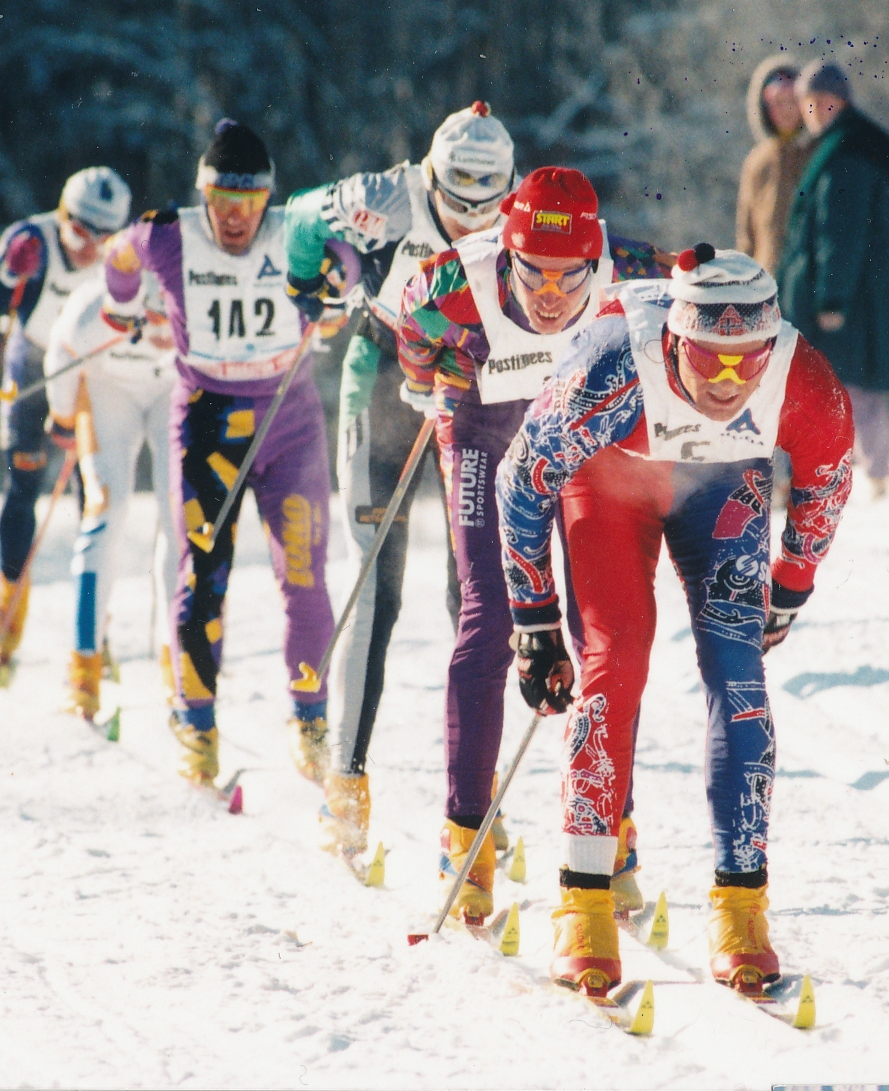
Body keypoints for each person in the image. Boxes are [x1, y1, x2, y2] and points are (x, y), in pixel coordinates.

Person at [495, 245, 854, 999]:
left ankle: (740, 905)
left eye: (744, 361)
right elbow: (522, 480)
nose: (727, 380)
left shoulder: (802, 378)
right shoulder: (609, 366)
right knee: (615, 657)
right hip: (610, 484)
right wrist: (534, 617)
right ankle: (583, 897)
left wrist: (789, 584)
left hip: (719, 490)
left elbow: (828, 478)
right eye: (707, 359)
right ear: (672, 342)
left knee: (737, 670)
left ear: (770, 347)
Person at [397, 166, 672, 924]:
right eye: (531, 275)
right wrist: (430, 373)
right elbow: (410, 328)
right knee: (492, 620)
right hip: (487, 423)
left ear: (595, 262)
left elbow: (704, 297)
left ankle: (609, 827)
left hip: (580, 433)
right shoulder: (453, 280)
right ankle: (466, 834)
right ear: (505, 256)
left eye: (567, 278)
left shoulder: (636, 272)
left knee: (601, 630)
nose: (549, 294)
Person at [282, 101, 513, 857]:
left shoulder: (523, 212)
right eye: (457, 202)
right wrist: (304, 281)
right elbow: (297, 218)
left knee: (474, 593)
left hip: (473, 396)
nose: (475, 218)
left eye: (490, 204)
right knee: (377, 583)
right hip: (384, 374)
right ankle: (344, 781)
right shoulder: (385, 196)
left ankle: (474, 801)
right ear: (431, 179)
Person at [101, 119, 346, 786]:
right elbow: (119, 258)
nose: (236, 219)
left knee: (303, 574)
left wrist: (336, 285)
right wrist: (123, 305)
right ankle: (198, 728)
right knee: (200, 576)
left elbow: (346, 258)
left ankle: (311, 721)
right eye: (223, 204)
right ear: (203, 195)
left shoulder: (294, 228)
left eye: (250, 204)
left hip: (288, 421)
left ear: (268, 197)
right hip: (207, 422)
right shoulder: (167, 235)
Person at [0, 167, 132, 685]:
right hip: (33, 367)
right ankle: (6, 627)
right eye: (80, 233)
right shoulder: (31, 238)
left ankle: (94, 633)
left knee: (96, 496)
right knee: (23, 490)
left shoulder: (125, 254)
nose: (89, 249)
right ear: (62, 217)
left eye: (103, 238)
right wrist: (12, 276)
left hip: (90, 375)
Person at [778, 59, 889, 498]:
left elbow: (837, 233)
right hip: (857, 290)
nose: (809, 111)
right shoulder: (849, 147)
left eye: (817, 101)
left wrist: (831, 301)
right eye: (806, 102)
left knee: (846, 385)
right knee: (852, 383)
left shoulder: (843, 155)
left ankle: (876, 474)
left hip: (848, 295)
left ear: (835, 103)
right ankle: (876, 470)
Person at [43, 271, 177, 721]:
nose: (162, 332)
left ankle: (178, 667)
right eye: (154, 319)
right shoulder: (92, 304)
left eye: (170, 318)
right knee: (107, 508)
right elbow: (61, 351)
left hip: (171, 388)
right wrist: (63, 414)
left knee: (179, 515)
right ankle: (84, 666)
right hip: (107, 388)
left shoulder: (195, 285)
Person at [735, 57, 809, 274]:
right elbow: (746, 233)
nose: (786, 109)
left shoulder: (817, 152)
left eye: (791, 101)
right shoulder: (758, 161)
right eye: (777, 102)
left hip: (807, 279)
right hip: (766, 278)